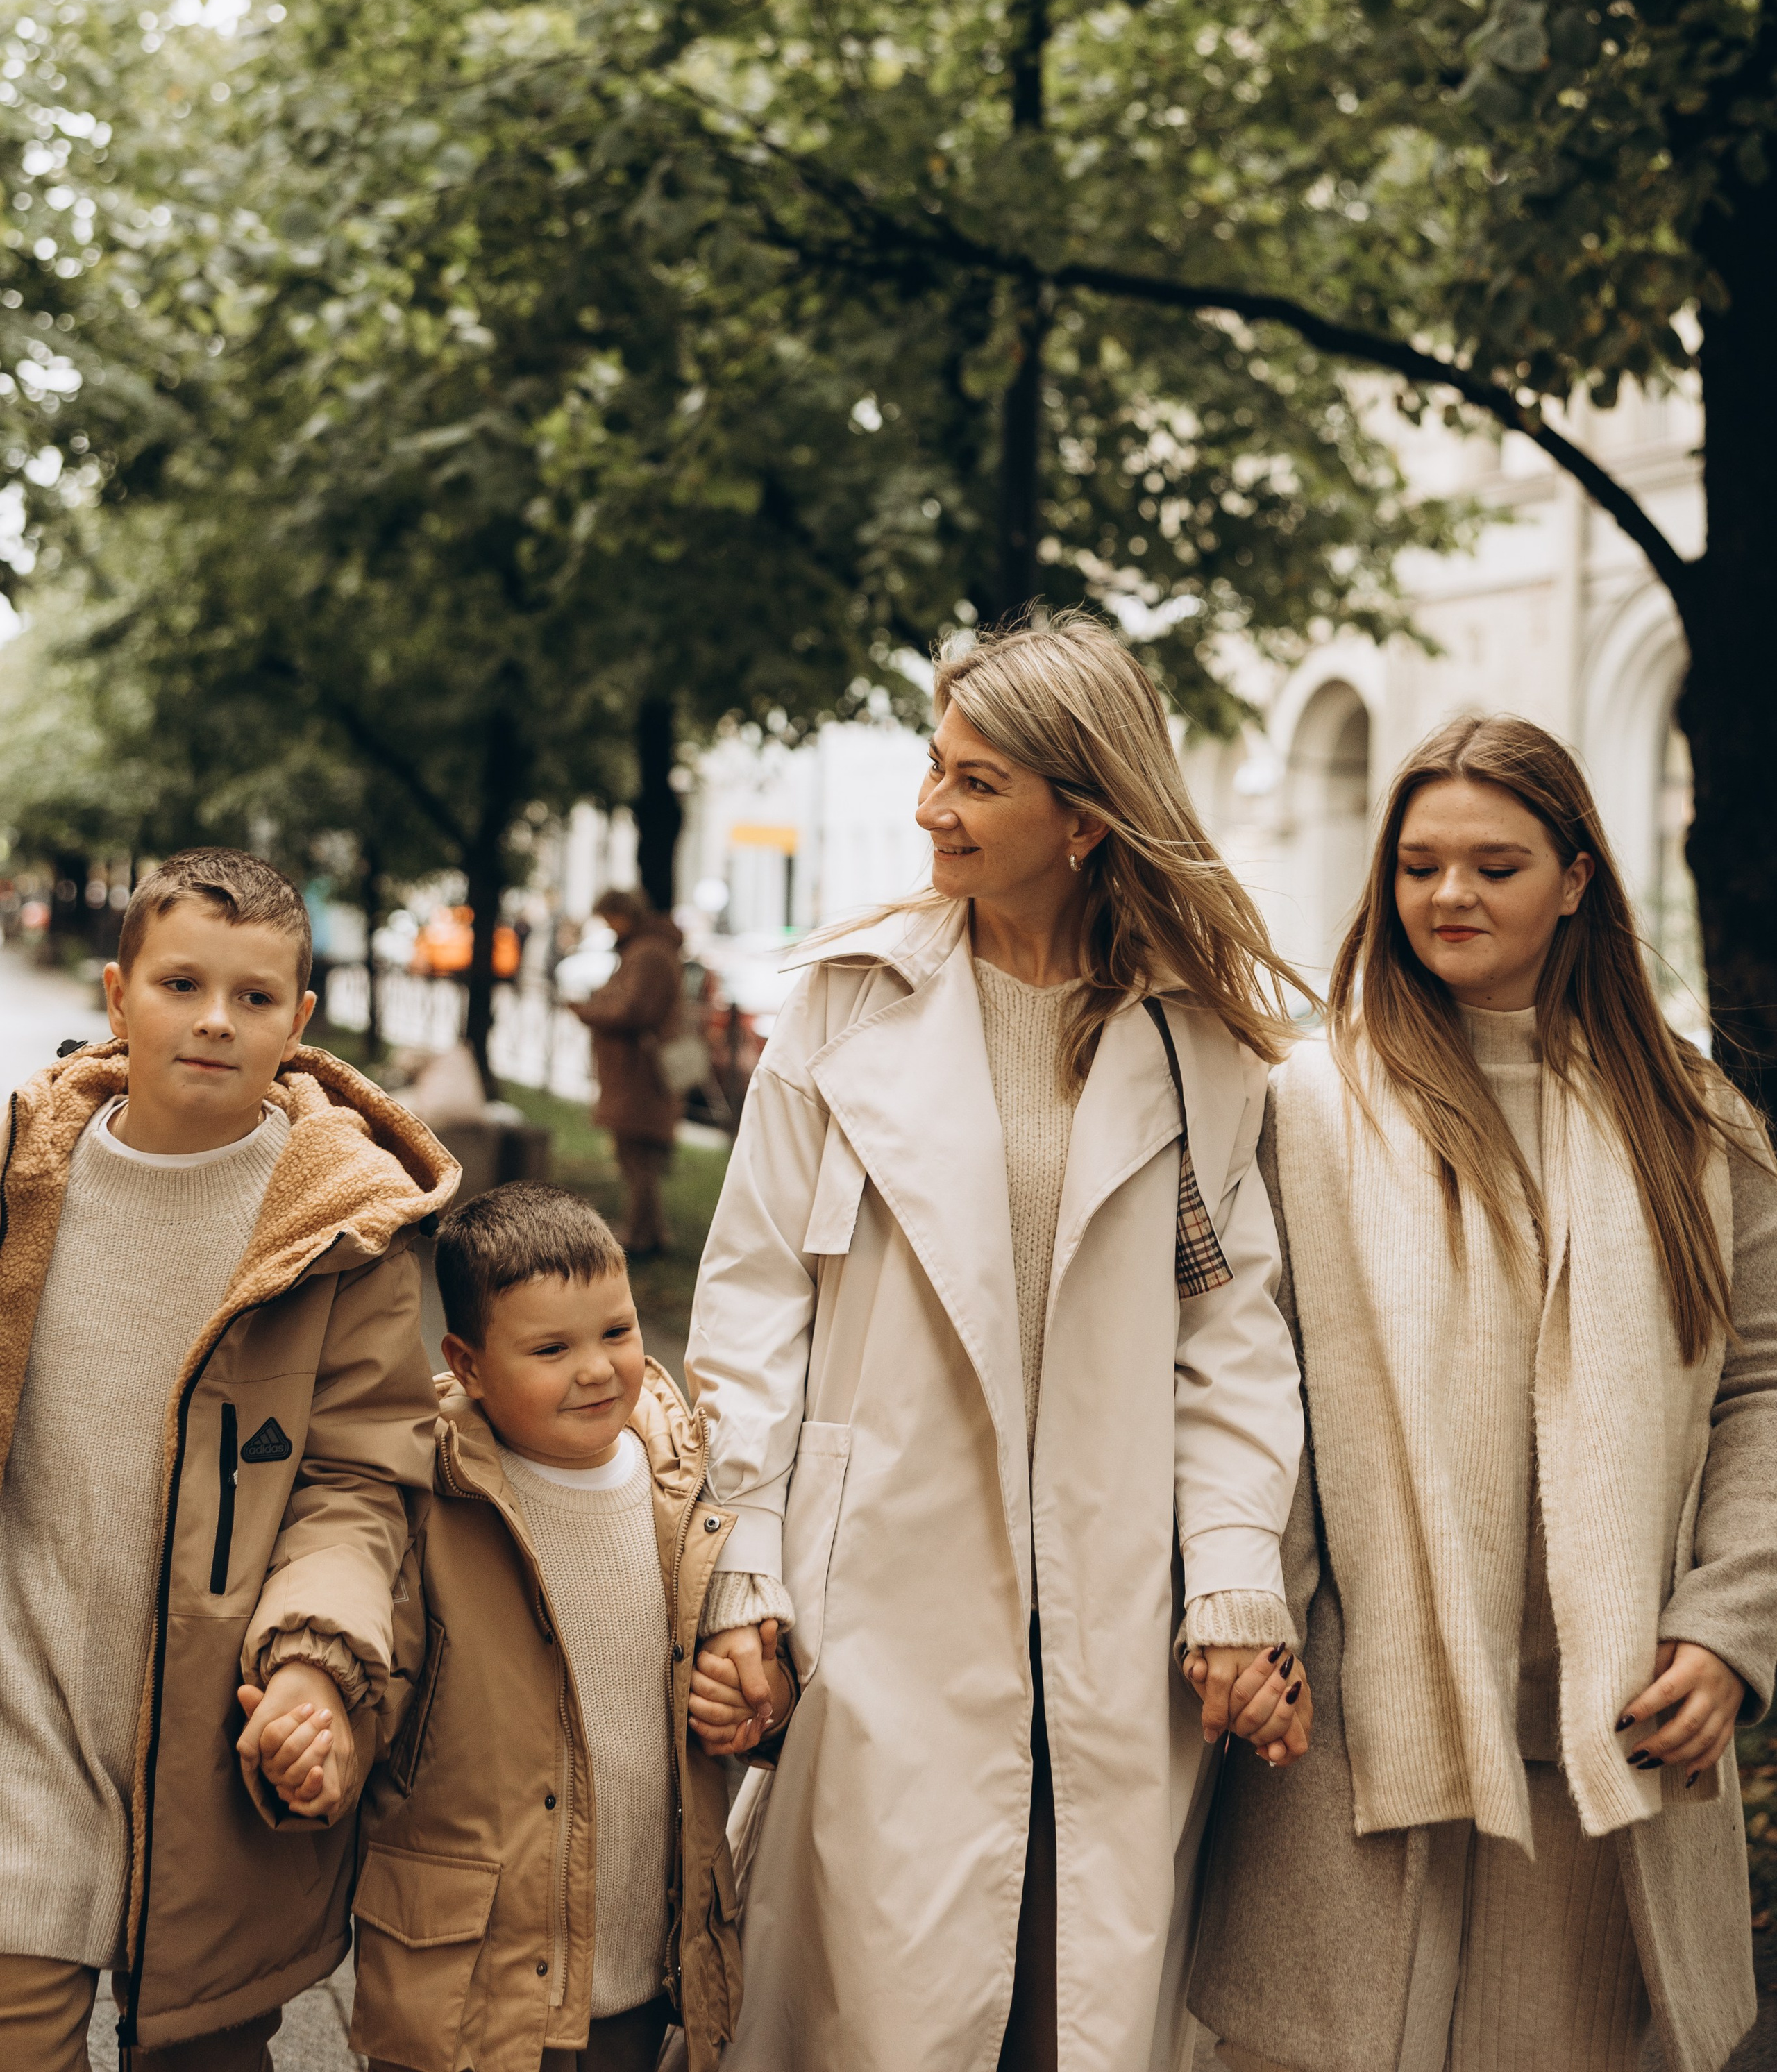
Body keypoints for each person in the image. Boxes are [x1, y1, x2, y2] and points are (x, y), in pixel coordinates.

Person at [684, 613, 1313, 2072]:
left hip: (1105, 1622)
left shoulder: (1195, 1044)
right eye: (932, 766)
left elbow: (1227, 1338)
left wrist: (1228, 1580)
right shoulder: (845, 1005)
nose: (928, 808)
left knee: (1064, 2012)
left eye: (974, 782)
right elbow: (749, 1304)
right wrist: (739, 1569)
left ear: (1082, 817)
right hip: (877, 1606)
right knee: (882, 2010)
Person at [1190, 714, 1777, 2072]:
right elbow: (1241, 1381)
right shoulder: (1307, 1106)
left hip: (1607, 1740)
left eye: (1492, 866)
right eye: (1416, 865)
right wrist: (1245, 1611)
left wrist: (1728, 1627)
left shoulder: (1689, 1125)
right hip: (1347, 1734)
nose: (1445, 896)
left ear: (1576, 877)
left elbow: (1759, 1383)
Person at [0, 845, 458, 2072]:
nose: (214, 1022)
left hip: (217, 1745)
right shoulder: (21, 1179)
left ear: (300, 1021)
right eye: (180, 985)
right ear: (116, 996)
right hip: (22, 1731)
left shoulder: (342, 1231)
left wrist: (318, 1663)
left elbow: (359, 1488)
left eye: (254, 999)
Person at [350, 1186, 789, 2072]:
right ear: (467, 1365)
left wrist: (755, 1707)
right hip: (465, 1979)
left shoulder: (686, 1496)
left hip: (638, 1976)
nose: (596, 1369)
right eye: (551, 1348)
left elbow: (747, 1666)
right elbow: (376, 1677)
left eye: (617, 1333)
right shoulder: (431, 1495)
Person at [571, 889, 686, 1257]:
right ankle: (648, 1232)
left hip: (640, 1075)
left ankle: (642, 1235)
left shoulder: (648, 953)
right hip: (637, 1073)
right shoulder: (647, 950)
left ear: (624, 915)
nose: (608, 928)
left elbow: (632, 1010)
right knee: (636, 1157)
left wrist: (587, 1010)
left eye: (610, 919)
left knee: (638, 1158)